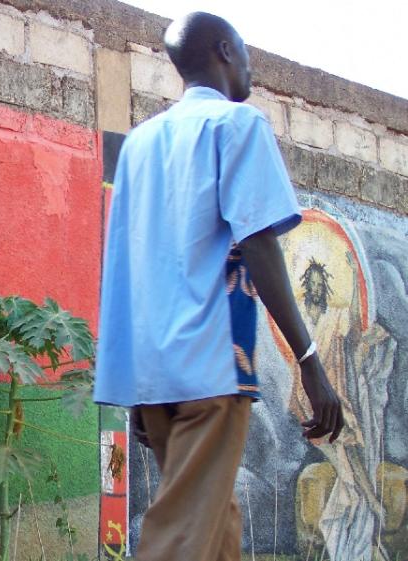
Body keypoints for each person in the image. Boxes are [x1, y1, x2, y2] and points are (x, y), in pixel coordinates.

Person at [93, 12, 345, 561]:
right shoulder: (237, 126)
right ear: (225, 51)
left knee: (213, 525)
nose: (252, 66)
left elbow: (127, 267)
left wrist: (136, 387)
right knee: (183, 535)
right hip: (210, 367)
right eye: (248, 53)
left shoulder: (139, 145)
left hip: (154, 377)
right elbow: (259, 247)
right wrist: (309, 360)